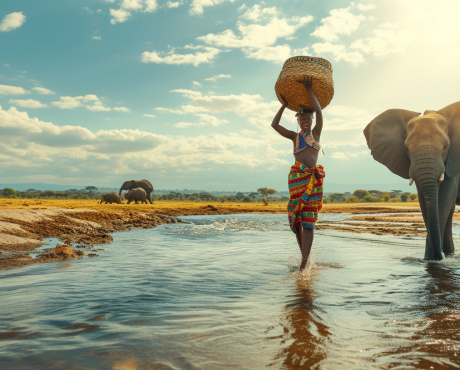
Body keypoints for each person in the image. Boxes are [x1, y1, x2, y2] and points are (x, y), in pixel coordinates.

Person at [271, 76, 325, 270]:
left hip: (312, 179)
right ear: (298, 121)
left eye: (308, 119)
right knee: (297, 220)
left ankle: (304, 261)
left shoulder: (315, 133)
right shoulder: (294, 137)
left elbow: (319, 111)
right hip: (296, 180)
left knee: (309, 221)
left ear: (311, 121)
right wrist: (284, 105)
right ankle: (305, 256)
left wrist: (309, 89)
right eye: (302, 119)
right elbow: (274, 125)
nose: (305, 121)